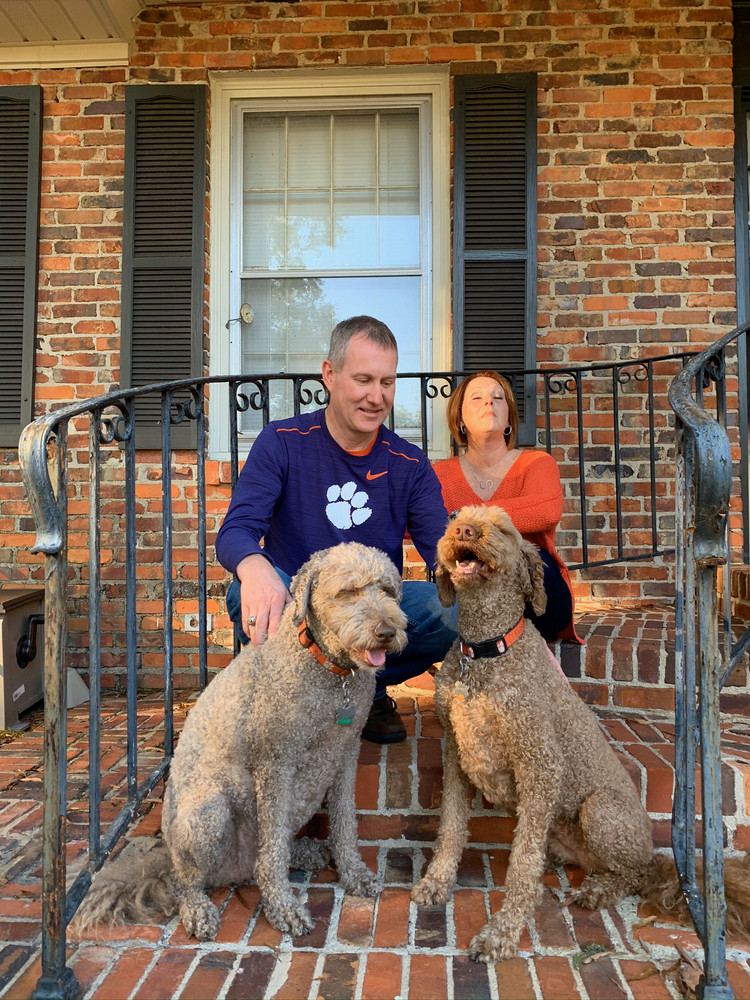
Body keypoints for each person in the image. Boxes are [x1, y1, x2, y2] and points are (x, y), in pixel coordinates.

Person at [215, 316, 457, 744]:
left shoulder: (409, 463)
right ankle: (300, 697)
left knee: (453, 610)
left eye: (386, 382)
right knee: (244, 590)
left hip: (373, 609)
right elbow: (236, 530)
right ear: (329, 374)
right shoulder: (282, 442)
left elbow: (444, 552)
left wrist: (508, 620)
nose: (376, 397)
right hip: (302, 605)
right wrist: (255, 567)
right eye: (363, 380)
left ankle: (366, 689)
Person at [433, 370, 580, 658]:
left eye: (498, 398)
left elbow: (546, 511)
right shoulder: (439, 474)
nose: (489, 402)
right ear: (460, 419)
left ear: (510, 419)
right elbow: (417, 522)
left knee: (530, 558)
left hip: (535, 596)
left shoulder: (536, 463)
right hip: (470, 593)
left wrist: (462, 518)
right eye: (477, 398)